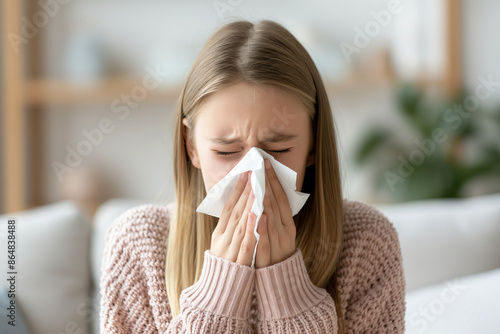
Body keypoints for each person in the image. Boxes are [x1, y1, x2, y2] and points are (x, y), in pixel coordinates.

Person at [100, 19, 406, 333]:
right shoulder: (140, 246)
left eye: (279, 148)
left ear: (313, 144)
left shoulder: (366, 243)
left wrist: (288, 296)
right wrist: (217, 301)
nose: (254, 173)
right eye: (226, 151)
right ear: (190, 146)